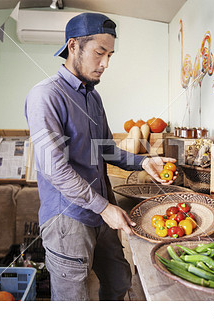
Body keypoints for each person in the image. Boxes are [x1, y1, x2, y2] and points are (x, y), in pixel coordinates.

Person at [25, 12, 177, 301]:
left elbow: (105, 148)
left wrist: (144, 161)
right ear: (73, 46)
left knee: (119, 281)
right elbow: (54, 169)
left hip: (100, 212)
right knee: (74, 300)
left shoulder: (92, 97)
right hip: (67, 219)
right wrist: (104, 208)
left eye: (110, 54)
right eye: (99, 52)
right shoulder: (46, 96)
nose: (106, 63)